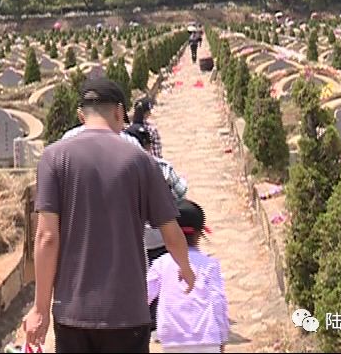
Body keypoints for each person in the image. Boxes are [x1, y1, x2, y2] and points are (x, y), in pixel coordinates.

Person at [24, 77, 196, 354]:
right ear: (118, 111)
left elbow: (46, 237)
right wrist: (186, 268)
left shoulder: (53, 158)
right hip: (127, 312)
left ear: (81, 115)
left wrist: (40, 309)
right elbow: (170, 229)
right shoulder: (140, 160)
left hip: (72, 313)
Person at [123, 123, 188, 337]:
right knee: (167, 278)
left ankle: (148, 320)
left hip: (136, 238)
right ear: (149, 146)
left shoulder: (121, 172)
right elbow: (181, 193)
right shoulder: (163, 167)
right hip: (163, 234)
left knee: (146, 279)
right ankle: (164, 318)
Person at [147, 199, 229, 354]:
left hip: (172, 340)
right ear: (199, 234)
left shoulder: (160, 265)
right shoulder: (210, 265)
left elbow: (144, 297)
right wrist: (223, 336)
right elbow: (218, 301)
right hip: (207, 340)